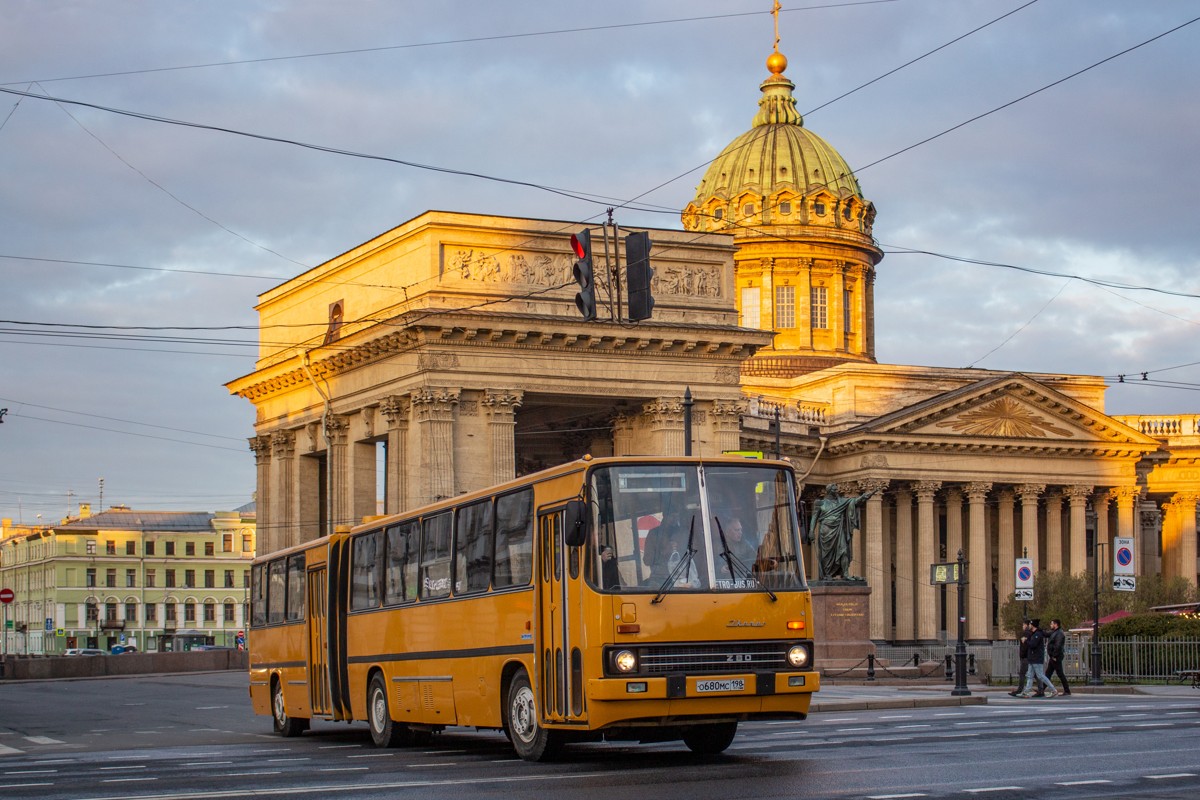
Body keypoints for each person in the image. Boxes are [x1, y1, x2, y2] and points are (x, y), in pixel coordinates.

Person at [805, 484, 878, 580]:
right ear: (829, 491)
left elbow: (855, 501)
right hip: (825, 531)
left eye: (836, 490)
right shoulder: (820, 503)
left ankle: (845, 574)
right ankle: (827, 575)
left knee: (844, 551)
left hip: (839, 530)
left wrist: (866, 495)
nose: (836, 492)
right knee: (826, 555)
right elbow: (814, 517)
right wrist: (811, 530)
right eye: (834, 490)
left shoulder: (841, 502)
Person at [1018, 618, 1057, 698]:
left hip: (1036, 658)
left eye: (1030, 624)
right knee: (1030, 675)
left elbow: (1033, 645)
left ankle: (1053, 690)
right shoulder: (1034, 633)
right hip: (1032, 658)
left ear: (1033, 625)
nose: (1028, 625)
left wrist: (1025, 641)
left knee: (1040, 676)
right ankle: (1026, 692)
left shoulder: (1037, 634)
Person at [1046, 618, 1072, 696]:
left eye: (1052, 624)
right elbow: (1046, 634)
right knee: (1048, 673)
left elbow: (1058, 645)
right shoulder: (1055, 632)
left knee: (1059, 673)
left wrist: (1054, 655)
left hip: (1056, 657)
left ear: (1056, 624)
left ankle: (1067, 690)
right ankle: (1041, 689)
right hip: (1053, 656)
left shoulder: (1059, 633)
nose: (1050, 625)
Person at [1009, 619, 1032, 697]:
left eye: (1023, 625)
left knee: (1022, 674)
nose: (1022, 626)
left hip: (1025, 657)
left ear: (1026, 625)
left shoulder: (1026, 633)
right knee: (1036, 674)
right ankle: (1041, 688)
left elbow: (1024, 647)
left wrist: (1022, 655)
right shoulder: (1031, 633)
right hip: (1028, 657)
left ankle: (1020, 689)